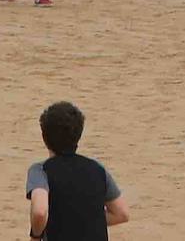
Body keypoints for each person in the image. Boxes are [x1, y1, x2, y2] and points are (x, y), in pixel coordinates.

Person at [26, 101, 129, 241]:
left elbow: (40, 211)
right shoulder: (97, 169)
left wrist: (36, 236)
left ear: (44, 137)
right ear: (78, 135)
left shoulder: (40, 170)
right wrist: (83, 220)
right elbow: (121, 214)